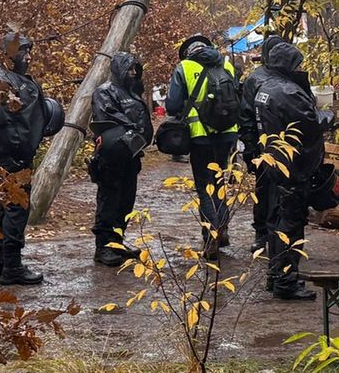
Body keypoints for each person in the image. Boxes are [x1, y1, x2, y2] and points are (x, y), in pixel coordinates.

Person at [0, 31, 64, 285]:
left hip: (10, 155)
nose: (28, 57)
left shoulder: (14, 80)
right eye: (24, 52)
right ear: (10, 54)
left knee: (1, 208)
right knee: (14, 210)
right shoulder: (2, 82)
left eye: (29, 52)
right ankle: (12, 267)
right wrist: (19, 151)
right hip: (11, 158)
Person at [253, 39, 326, 300]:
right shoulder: (289, 92)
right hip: (292, 167)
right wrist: (325, 118)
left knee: (276, 222)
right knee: (290, 225)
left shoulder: (265, 88)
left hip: (274, 163)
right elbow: (310, 125)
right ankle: (286, 281)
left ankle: (277, 277)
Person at [165, 34, 240, 258]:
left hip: (201, 137)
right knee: (219, 182)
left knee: (205, 187)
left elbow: (172, 105)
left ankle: (211, 238)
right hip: (227, 134)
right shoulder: (227, 64)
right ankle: (223, 228)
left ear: (188, 51)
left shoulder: (184, 67)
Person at [89, 52, 152, 267]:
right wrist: (133, 130)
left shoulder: (133, 92)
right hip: (111, 156)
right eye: (130, 69)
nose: (133, 73)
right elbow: (108, 117)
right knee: (109, 200)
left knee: (126, 201)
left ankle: (117, 241)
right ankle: (103, 247)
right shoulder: (105, 92)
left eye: (136, 69)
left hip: (131, 156)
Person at [239, 34, 286, 253]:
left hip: (287, 148)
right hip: (262, 146)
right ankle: (261, 233)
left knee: (285, 192)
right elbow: (246, 115)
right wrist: (250, 148)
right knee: (264, 191)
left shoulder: (289, 77)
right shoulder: (255, 79)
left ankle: (282, 234)